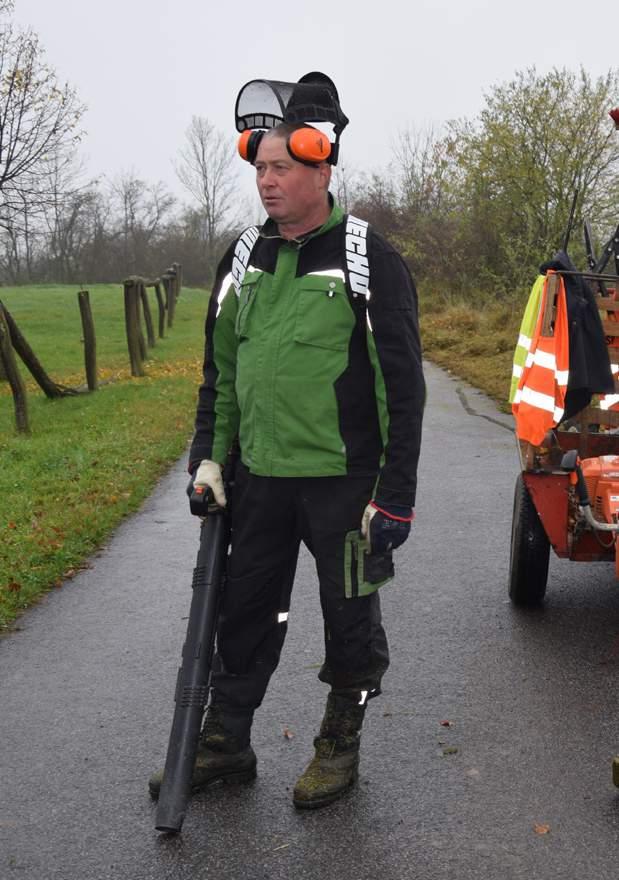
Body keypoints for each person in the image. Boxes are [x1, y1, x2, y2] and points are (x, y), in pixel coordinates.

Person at [150, 90, 425, 809]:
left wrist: (394, 497)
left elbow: (402, 390)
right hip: (260, 479)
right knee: (243, 613)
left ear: (320, 169)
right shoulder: (243, 255)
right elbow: (223, 369)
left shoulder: (368, 257)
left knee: (349, 620)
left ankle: (338, 745)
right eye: (259, 167)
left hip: (343, 483)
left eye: (280, 167)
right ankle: (225, 743)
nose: (267, 181)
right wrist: (210, 457)